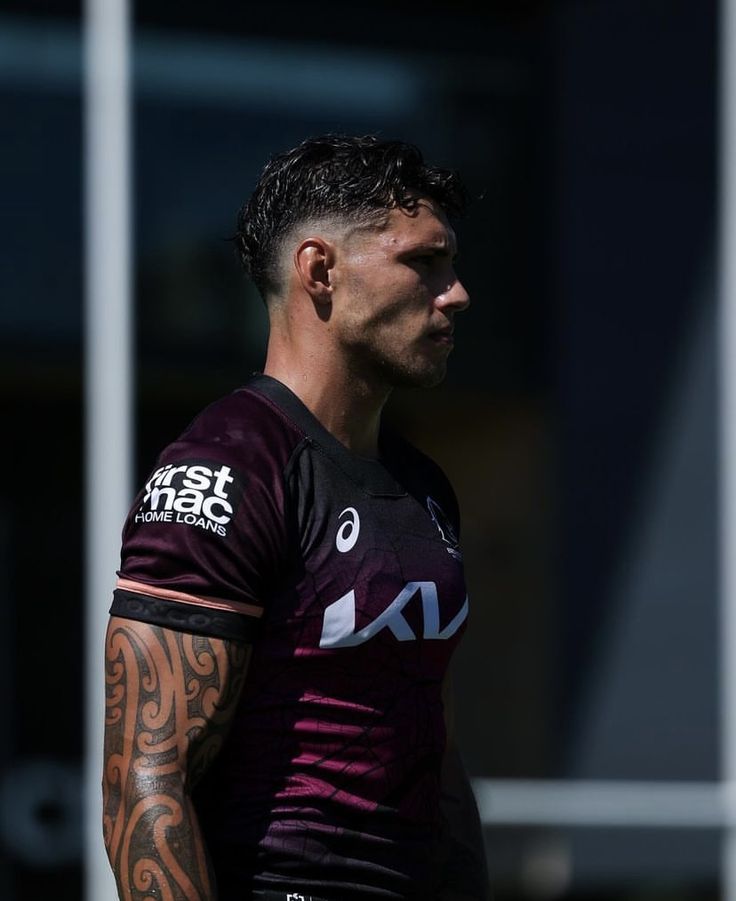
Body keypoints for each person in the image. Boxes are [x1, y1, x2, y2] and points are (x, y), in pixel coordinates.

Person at [102, 133, 490, 901]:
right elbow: (146, 782)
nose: (456, 292)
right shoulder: (227, 467)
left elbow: (431, 740)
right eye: (423, 261)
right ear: (320, 271)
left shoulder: (423, 486)